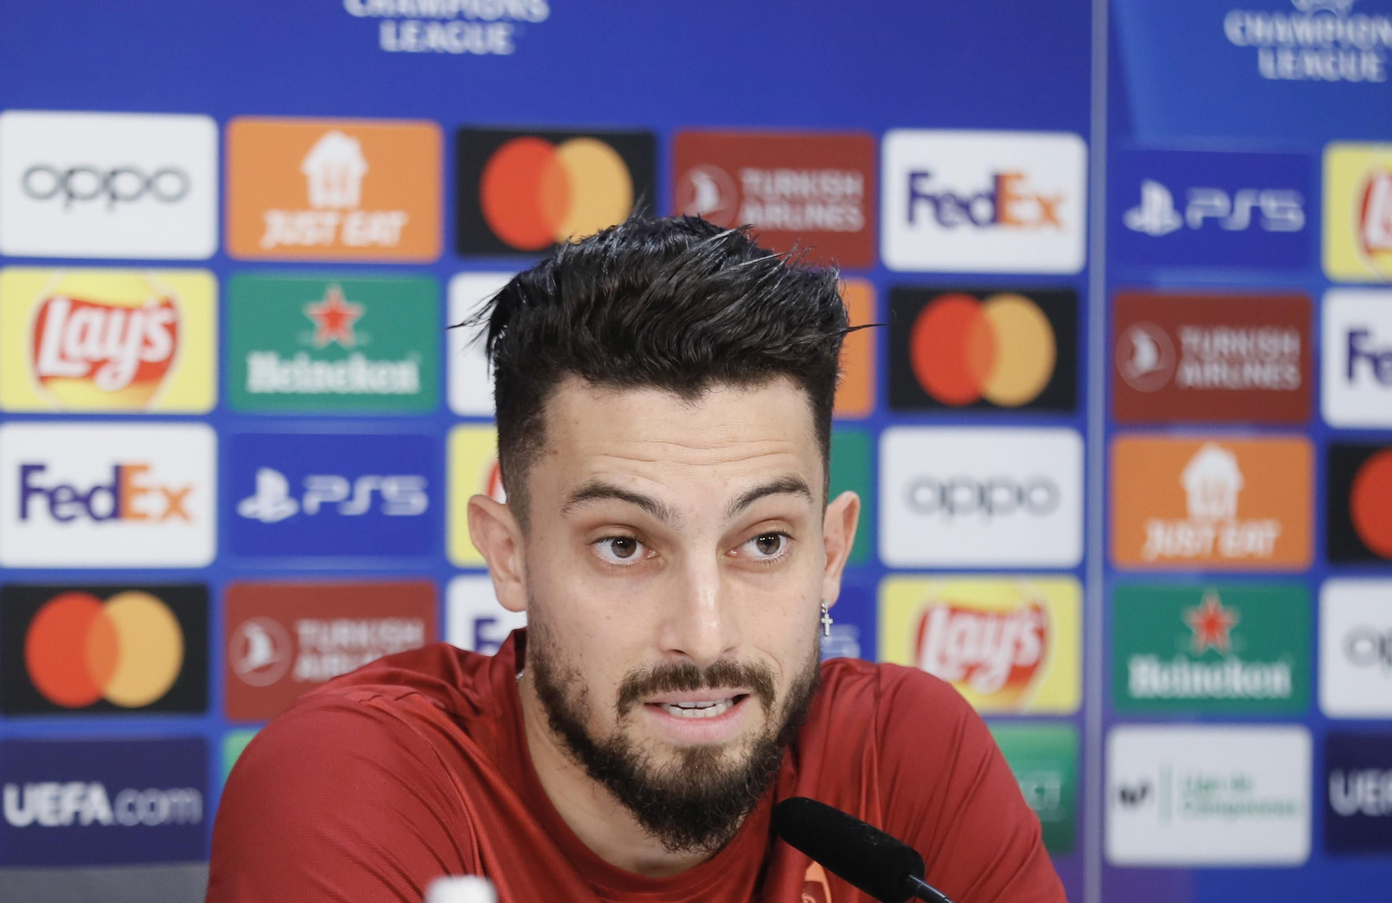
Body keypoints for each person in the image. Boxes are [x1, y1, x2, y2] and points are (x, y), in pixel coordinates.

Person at [207, 215, 1067, 902]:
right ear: (510, 555)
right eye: (624, 545)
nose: (704, 634)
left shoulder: (904, 758)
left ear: (831, 553)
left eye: (763, 543)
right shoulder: (356, 783)